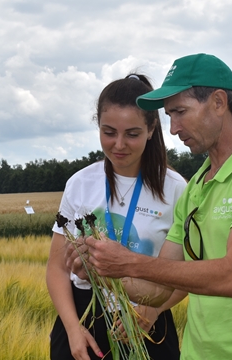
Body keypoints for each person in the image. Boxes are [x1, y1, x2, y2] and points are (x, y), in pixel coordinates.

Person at [84, 54, 232, 359]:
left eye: (180, 112)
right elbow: (160, 290)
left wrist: (128, 262)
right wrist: (102, 269)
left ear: (219, 103)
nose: (173, 128)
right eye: (169, 115)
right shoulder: (195, 187)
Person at [46, 73, 187, 360]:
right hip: (83, 322)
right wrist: (73, 329)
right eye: (108, 132)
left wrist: (152, 310)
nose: (119, 144)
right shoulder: (80, 183)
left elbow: (185, 274)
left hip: (146, 325)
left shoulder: (175, 189)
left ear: (151, 129)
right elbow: (58, 268)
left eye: (132, 134)